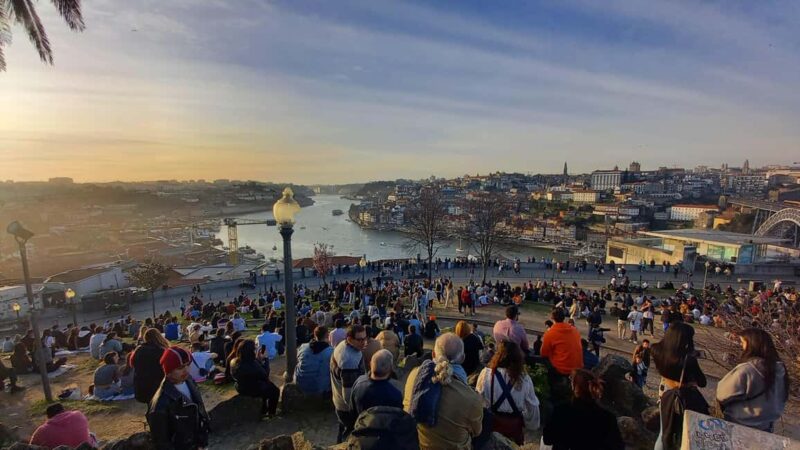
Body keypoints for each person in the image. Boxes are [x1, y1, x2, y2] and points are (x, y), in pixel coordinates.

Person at [403, 333, 483, 450]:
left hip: (418, 444)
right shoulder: (472, 399)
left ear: (433, 354)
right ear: (462, 358)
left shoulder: (414, 375)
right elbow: (477, 431)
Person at [716, 328, 789, 432]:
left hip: (739, 424)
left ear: (752, 344)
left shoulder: (748, 369)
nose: (742, 346)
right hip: (766, 426)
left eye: (743, 343)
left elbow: (722, 394)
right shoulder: (781, 370)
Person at [651, 323, 708, 450]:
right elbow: (702, 382)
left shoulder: (655, 349)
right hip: (683, 397)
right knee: (683, 433)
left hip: (665, 392)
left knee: (663, 431)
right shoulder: (688, 359)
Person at [476, 341, 540, 445]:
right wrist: (530, 424)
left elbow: (478, 400)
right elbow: (533, 406)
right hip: (513, 427)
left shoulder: (487, 375)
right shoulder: (524, 379)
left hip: (493, 425)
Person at [542, 369, 623, 450]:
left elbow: (547, 439)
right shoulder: (607, 418)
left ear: (573, 388)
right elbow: (617, 446)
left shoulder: (561, 411)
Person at [147, 346, 210, 450]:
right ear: (168, 370)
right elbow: (161, 441)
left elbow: (198, 409)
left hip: (196, 443)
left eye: (187, 365)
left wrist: (202, 439)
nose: (186, 370)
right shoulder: (160, 403)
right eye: (180, 367)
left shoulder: (189, 381)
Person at [331, 324, 367, 443]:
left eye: (364, 338)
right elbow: (348, 395)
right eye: (360, 340)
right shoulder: (349, 361)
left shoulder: (343, 345)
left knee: (343, 429)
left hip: (338, 400)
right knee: (349, 436)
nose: (363, 342)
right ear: (350, 339)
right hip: (347, 408)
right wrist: (360, 410)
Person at [230, 340, 280, 416]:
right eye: (255, 347)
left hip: (240, 387)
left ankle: (263, 407)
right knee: (275, 390)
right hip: (253, 389)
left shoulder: (234, 361)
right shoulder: (253, 364)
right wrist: (265, 359)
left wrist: (257, 360)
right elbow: (265, 375)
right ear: (251, 351)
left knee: (262, 384)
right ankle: (271, 413)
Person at [350, 349, 403, 415]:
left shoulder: (359, 384)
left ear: (370, 364)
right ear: (390, 368)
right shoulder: (397, 392)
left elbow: (352, 411)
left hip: (362, 423)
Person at [29, 403, 97, 449]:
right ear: (63, 410)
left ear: (49, 417)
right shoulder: (78, 415)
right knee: (91, 433)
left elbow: (31, 446)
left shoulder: (42, 430)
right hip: (87, 447)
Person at [540, 308, 582, 377]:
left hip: (561, 370)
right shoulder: (574, 330)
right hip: (577, 369)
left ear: (552, 318)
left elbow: (543, 354)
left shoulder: (550, 333)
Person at [132, 328, 170, 404]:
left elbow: (133, 364)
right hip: (158, 388)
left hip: (141, 388)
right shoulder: (161, 351)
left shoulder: (139, 350)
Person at [295, 326, 334, 395]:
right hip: (318, 387)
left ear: (314, 334)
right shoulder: (330, 351)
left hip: (299, 382)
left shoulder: (303, 347)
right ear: (327, 335)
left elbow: (298, 359)